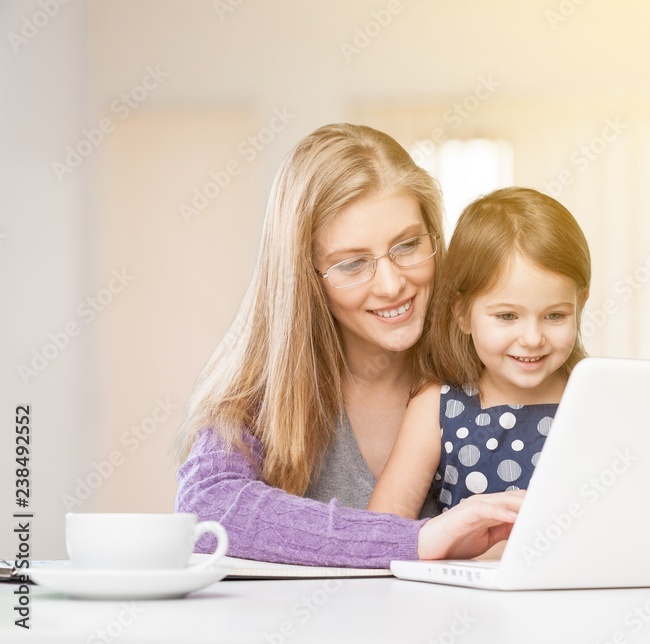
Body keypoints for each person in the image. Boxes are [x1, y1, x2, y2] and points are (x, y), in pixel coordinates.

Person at [173, 124, 522, 568]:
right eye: (353, 264)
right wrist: (414, 542)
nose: (393, 284)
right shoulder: (261, 392)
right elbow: (206, 511)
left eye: (409, 245)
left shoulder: (494, 363)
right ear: (304, 277)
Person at [368, 187, 591, 518]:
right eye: (507, 316)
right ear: (463, 313)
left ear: (579, 305)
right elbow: (383, 526)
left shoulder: (592, 398)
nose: (532, 338)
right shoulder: (438, 406)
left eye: (554, 315)